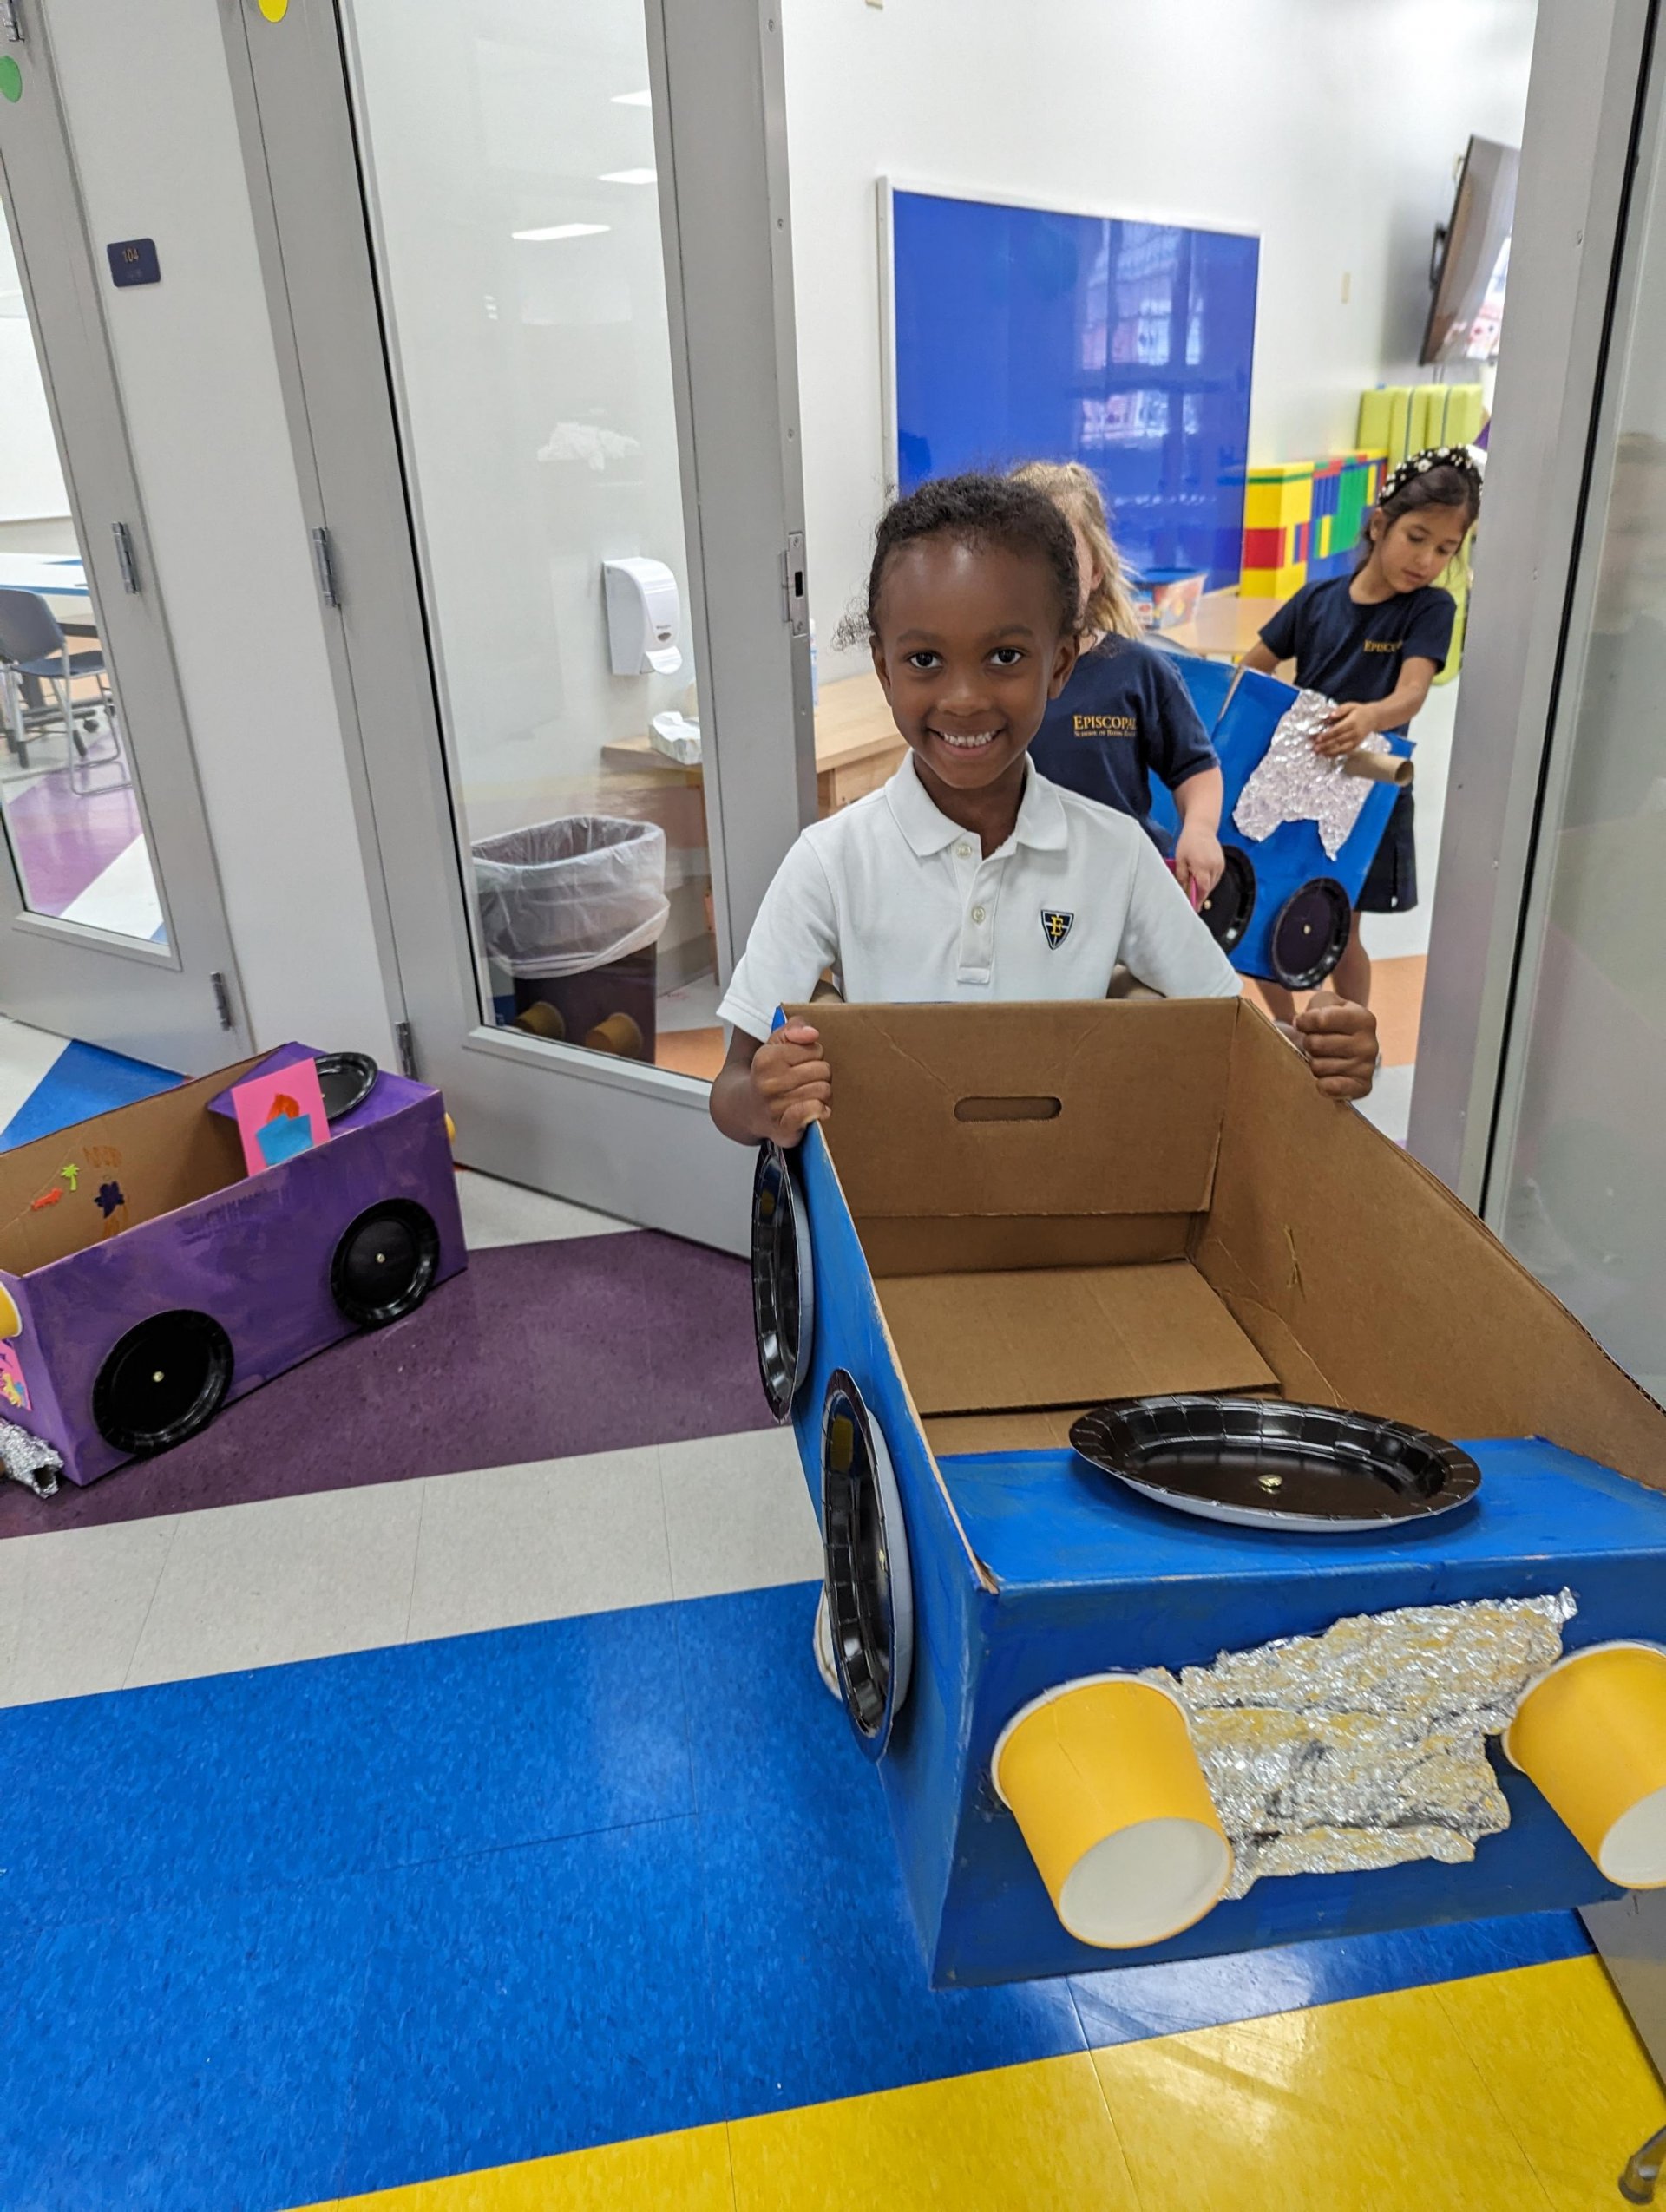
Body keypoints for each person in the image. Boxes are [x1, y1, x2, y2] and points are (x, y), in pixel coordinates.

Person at [709, 473, 1379, 1692]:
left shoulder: (1112, 853)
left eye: (1004, 656)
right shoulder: (833, 862)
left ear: (1062, 665)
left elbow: (1228, 1047)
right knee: (893, 1467)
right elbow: (729, 1091)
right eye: (923, 660)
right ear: (884, 667)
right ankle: (868, 1582)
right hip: (900, 1251)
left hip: (1081, 1240)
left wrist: (1322, 1055)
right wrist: (774, 1095)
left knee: (1075, 1494)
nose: (963, 700)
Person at [1243, 446, 1482, 1018]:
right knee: (1262, 908)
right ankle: (1287, 1028)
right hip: (1294, 783)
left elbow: (1413, 692)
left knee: (1340, 925)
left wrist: (1369, 717)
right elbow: (1251, 667)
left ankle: (1353, 1034)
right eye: (1417, 537)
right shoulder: (1317, 599)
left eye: (1446, 549)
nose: (1427, 560)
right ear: (1380, 525)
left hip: (1367, 790)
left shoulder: (1430, 609)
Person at [1012, 460, 1226, 906]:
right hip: (1020, 897)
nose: (1046, 576)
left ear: (1095, 571)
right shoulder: (987, 679)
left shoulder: (1139, 671)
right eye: (1023, 557)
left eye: (1063, 557)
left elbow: (1197, 769)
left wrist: (1200, 829)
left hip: (1129, 895)